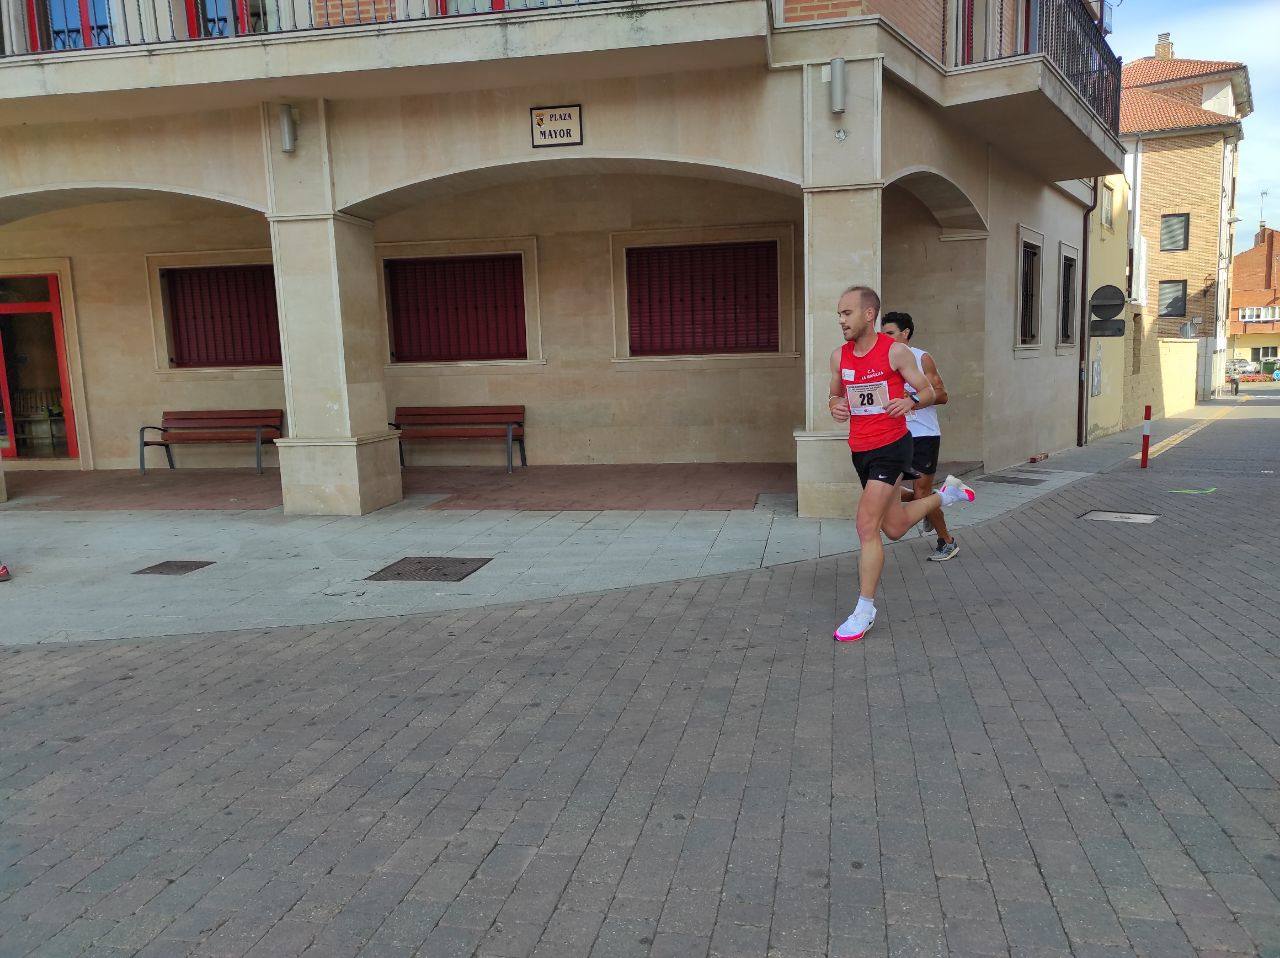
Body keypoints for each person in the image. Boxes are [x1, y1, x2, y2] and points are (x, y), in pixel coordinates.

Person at [829, 286, 975, 643]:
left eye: (847, 313)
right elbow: (835, 394)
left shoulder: (895, 351)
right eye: (838, 315)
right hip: (860, 449)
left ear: (868, 314)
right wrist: (835, 405)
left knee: (867, 526)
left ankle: (864, 609)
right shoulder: (839, 357)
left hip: (892, 446)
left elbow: (928, 392)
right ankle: (948, 495)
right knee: (893, 526)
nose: (841, 320)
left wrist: (909, 402)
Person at [880, 311, 960, 562]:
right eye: (882, 334)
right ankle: (932, 503)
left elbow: (942, 395)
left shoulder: (920, 357)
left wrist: (912, 399)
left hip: (923, 435)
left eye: (890, 333)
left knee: (921, 492)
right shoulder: (882, 360)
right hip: (894, 435)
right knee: (883, 490)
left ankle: (946, 541)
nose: (886, 338)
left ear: (905, 334)